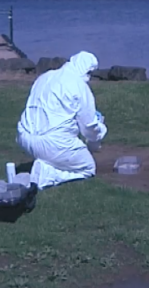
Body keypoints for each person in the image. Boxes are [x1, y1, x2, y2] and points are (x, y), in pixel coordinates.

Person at [16, 51, 108, 190]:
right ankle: (49, 174)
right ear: (86, 70)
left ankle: (46, 162)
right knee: (88, 168)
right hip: (53, 143)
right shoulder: (79, 85)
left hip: (25, 137)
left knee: (53, 149)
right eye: (90, 74)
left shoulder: (45, 77)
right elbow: (89, 127)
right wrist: (101, 129)